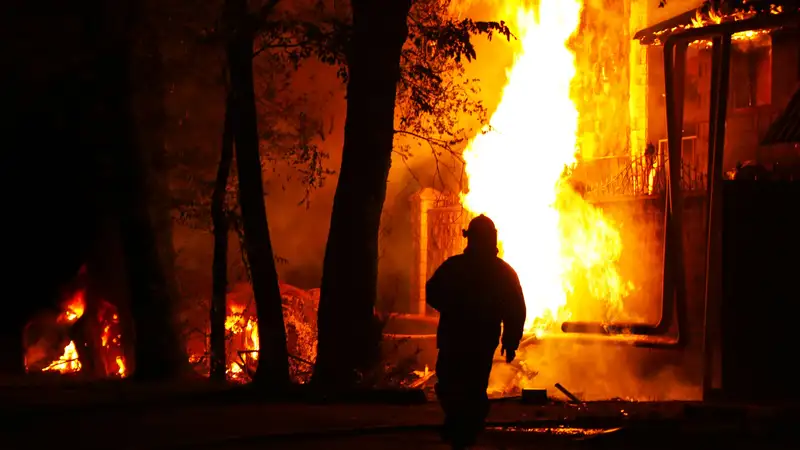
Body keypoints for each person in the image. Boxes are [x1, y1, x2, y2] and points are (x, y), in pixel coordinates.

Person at [426, 214, 527, 449]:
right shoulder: (502, 272)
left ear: (469, 239)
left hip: (455, 337)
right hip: (481, 339)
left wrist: (451, 307)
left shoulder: (454, 267)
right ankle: (466, 424)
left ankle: (463, 426)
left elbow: (432, 291)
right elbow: (516, 310)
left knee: (453, 381)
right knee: (472, 384)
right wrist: (510, 341)